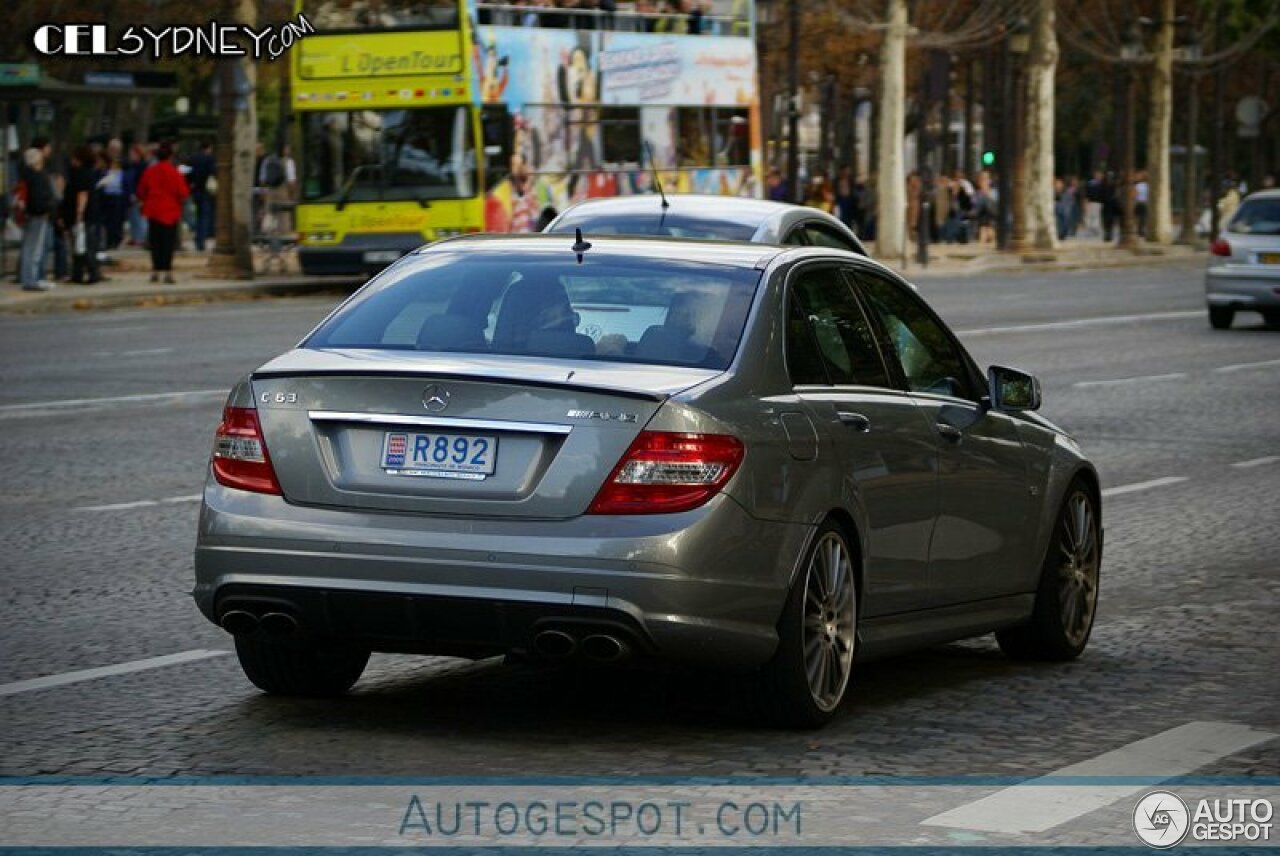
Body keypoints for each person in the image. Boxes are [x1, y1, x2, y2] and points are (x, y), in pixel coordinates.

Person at [136, 140, 190, 284]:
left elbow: (141, 191)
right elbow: (183, 193)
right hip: (170, 212)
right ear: (170, 156)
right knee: (168, 243)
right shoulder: (174, 172)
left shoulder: (150, 171)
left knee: (155, 242)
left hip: (153, 210)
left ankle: (155, 270)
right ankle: (167, 271)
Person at [59, 145, 105, 285]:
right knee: (80, 244)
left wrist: (79, 213)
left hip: (80, 214)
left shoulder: (80, 174)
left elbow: (82, 194)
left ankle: (90, 272)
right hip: (83, 213)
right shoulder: (86, 173)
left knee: (83, 244)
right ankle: (79, 273)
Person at [18, 144, 57, 291]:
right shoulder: (37, 177)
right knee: (34, 248)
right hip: (38, 214)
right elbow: (39, 197)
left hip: (31, 214)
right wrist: (46, 209)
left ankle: (29, 278)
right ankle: (31, 280)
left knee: (30, 247)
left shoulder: (27, 175)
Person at [186, 140, 216, 251]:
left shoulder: (192, 159)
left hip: (195, 190)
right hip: (206, 190)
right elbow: (213, 173)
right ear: (208, 148)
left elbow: (186, 172)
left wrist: (190, 183)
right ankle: (200, 240)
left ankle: (197, 236)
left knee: (197, 214)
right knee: (204, 216)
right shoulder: (210, 159)